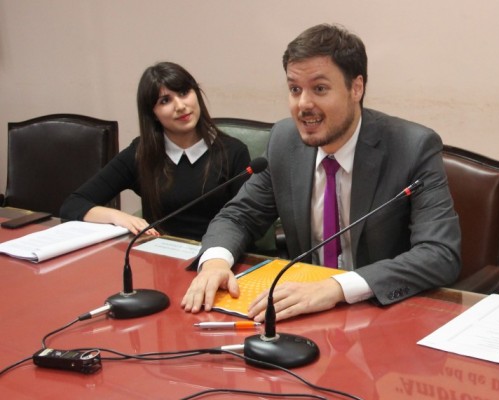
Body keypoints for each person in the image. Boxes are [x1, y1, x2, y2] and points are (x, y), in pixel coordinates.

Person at [181, 23, 461, 322]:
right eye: (294, 89)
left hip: (381, 315)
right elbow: (240, 215)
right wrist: (215, 262)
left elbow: (439, 254)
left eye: (320, 89)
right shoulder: (284, 142)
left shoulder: (412, 147)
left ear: (356, 88)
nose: (303, 104)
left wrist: (337, 288)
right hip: (303, 315)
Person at [60, 62, 251, 241]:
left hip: (219, 259)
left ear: (197, 94)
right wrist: (118, 217)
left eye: (184, 93)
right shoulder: (142, 152)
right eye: (165, 100)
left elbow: (246, 224)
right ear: (153, 114)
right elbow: (73, 205)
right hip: (161, 259)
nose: (180, 106)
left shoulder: (233, 151)